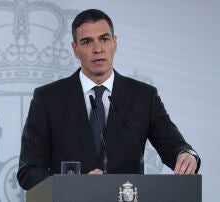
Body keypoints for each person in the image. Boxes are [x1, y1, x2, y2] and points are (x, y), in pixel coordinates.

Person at [17, 8, 200, 190]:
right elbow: (28, 172)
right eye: (87, 42)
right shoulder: (48, 98)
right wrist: (74, 183)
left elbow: (175, 147)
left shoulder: (143, 96)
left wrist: (186, 154)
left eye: (104, 39)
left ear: (115, 42)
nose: (98, 49)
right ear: (75, 49)